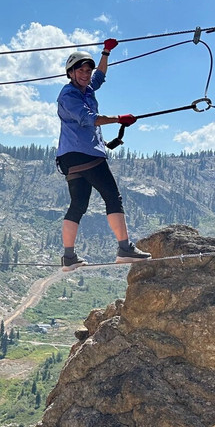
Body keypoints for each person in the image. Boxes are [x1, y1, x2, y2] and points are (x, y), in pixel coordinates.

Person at [56, 39, 151, 270]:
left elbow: (100, 76)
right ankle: (125, 248)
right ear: (70, 73)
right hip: (85, 153)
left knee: (78, 204)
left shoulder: (86, 88)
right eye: (81, 70)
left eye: (87, 70)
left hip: (69, 158)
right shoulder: (69, 95)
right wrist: (119, 119)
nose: (86, 74)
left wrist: (106, 52)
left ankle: (69, 257)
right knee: (112, 196)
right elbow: (90, 119)